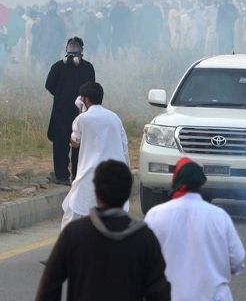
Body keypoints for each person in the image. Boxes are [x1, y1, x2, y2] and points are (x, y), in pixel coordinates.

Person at [36, 160, 171, 301]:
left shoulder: (74, 234)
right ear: (128, 193)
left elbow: (48, 290)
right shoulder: (144, 238)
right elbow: (159, 292)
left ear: (95, 192)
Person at [145, 158, 246, 301]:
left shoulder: (154, 215)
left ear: (175, 181)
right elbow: (237, 260)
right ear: (201, 184)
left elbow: (144, 262)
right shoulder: (219, 216)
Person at [61, 82, 129, 230]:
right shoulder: (114, 117)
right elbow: (124, 145)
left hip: (89, 173)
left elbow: (75, 142)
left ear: (85, 99)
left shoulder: (82, 119)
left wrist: (80, 111)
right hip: (114, 173)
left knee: (74, 215)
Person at [45, 38, 96, 185]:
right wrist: (61, 95)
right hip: (61, 112)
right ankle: (61, 176)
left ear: (81, 52)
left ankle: (77, 175)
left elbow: (92, 87)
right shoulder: (58, 67)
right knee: (60, 144)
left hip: (80, 113)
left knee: (79, 145)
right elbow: (49, 85)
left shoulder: (88, 68)